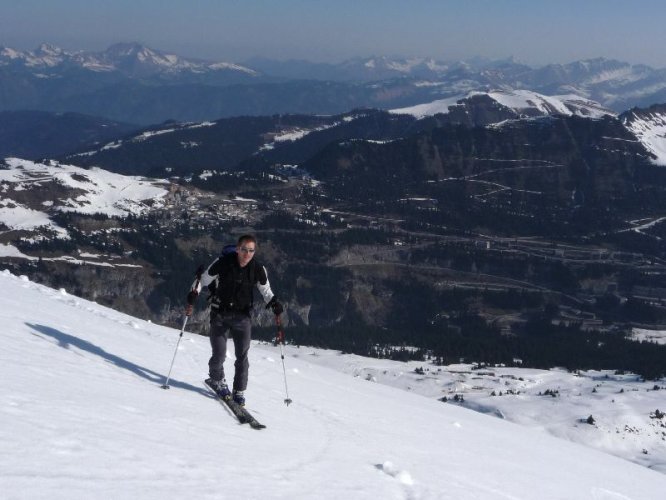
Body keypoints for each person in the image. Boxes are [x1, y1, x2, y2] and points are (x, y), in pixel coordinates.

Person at [185, 234, 283, 406]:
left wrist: (274, 303)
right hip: (220, 315)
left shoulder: (258, 269)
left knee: (242, 356)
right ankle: (217, 379)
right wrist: (194, 293)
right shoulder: (223, 263)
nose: (247, 254)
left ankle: (239, 390)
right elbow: (203, 279)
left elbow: (265, 290)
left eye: (251, 250)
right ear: (238, 249)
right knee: (219, 354)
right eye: (244, 249)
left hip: (242, 316)